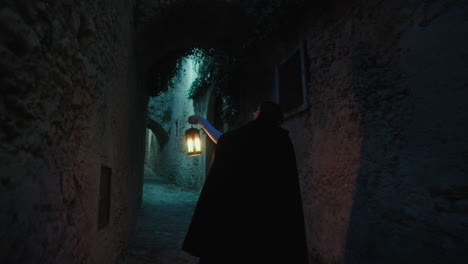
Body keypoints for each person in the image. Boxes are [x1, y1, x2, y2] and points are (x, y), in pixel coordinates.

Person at [183, 101, 309, 264]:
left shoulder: (246, 135)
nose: (253, 113)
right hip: (272, 212)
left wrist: (202, 121)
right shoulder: (282, 140)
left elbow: (224, 141)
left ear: (261, 113)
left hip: (241, 209)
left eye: (256, 110)